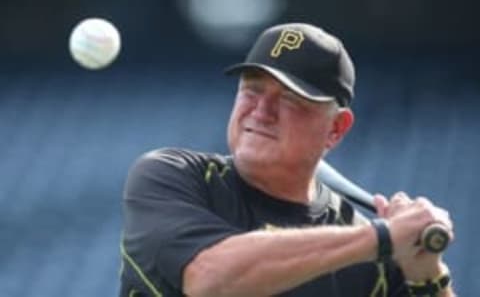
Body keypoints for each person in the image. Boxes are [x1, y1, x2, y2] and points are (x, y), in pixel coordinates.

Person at [119, 23, 455, 297]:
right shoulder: (172, 176)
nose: (261, 111)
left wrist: (428, 276)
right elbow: (209, 279)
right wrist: (381, 239)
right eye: (252, 89)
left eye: (291, 98)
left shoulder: (372, 254)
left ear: (336, 129)